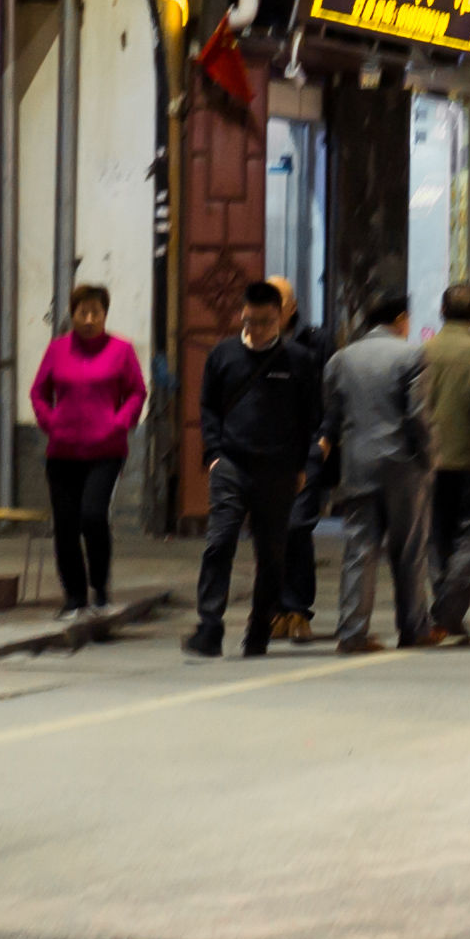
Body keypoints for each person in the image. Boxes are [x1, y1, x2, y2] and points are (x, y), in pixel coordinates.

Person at [188, 276, 323, 657]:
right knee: (219, 542)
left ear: (280, 317)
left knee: (272, 554)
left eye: (265, 322)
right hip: (230, 464)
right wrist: (213, 454)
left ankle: (259, 629)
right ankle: (209, 626)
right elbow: (208, 407)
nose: (257, 329)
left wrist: (302, 466)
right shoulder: (223, 355)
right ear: (241, 315)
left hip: (278, 471)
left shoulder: (299, 361)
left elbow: (309, 417)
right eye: (249, 321)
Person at [321, 291, 437, 654]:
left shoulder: (341, 359)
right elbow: (418, 414)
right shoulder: (411, 355)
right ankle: (413, 627)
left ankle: (352, 632)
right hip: (401, 464)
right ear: (401, 319)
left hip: (356, 463)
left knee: (359, 549)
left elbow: (332, 415)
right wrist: (428, 457)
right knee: (409, 549)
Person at [28, 283, 147, 632]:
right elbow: (38, 392)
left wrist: (120, 422)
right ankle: (74, 596)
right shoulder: (57, 351)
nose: (90, 319)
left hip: (105, 450)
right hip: (62, 451)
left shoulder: (121, 351)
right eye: (83, 312)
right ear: (73, 313)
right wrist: (50, 422)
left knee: (93, 516)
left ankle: (99, 587)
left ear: (105, 315)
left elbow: (137, 392)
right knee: (65, 526)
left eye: (97, 312)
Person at [417, 297, 470, 643]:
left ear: (441, 311)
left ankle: (444, 613)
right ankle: (448, 611)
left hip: (430, 461)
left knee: (437, 534)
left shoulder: (424, 351)